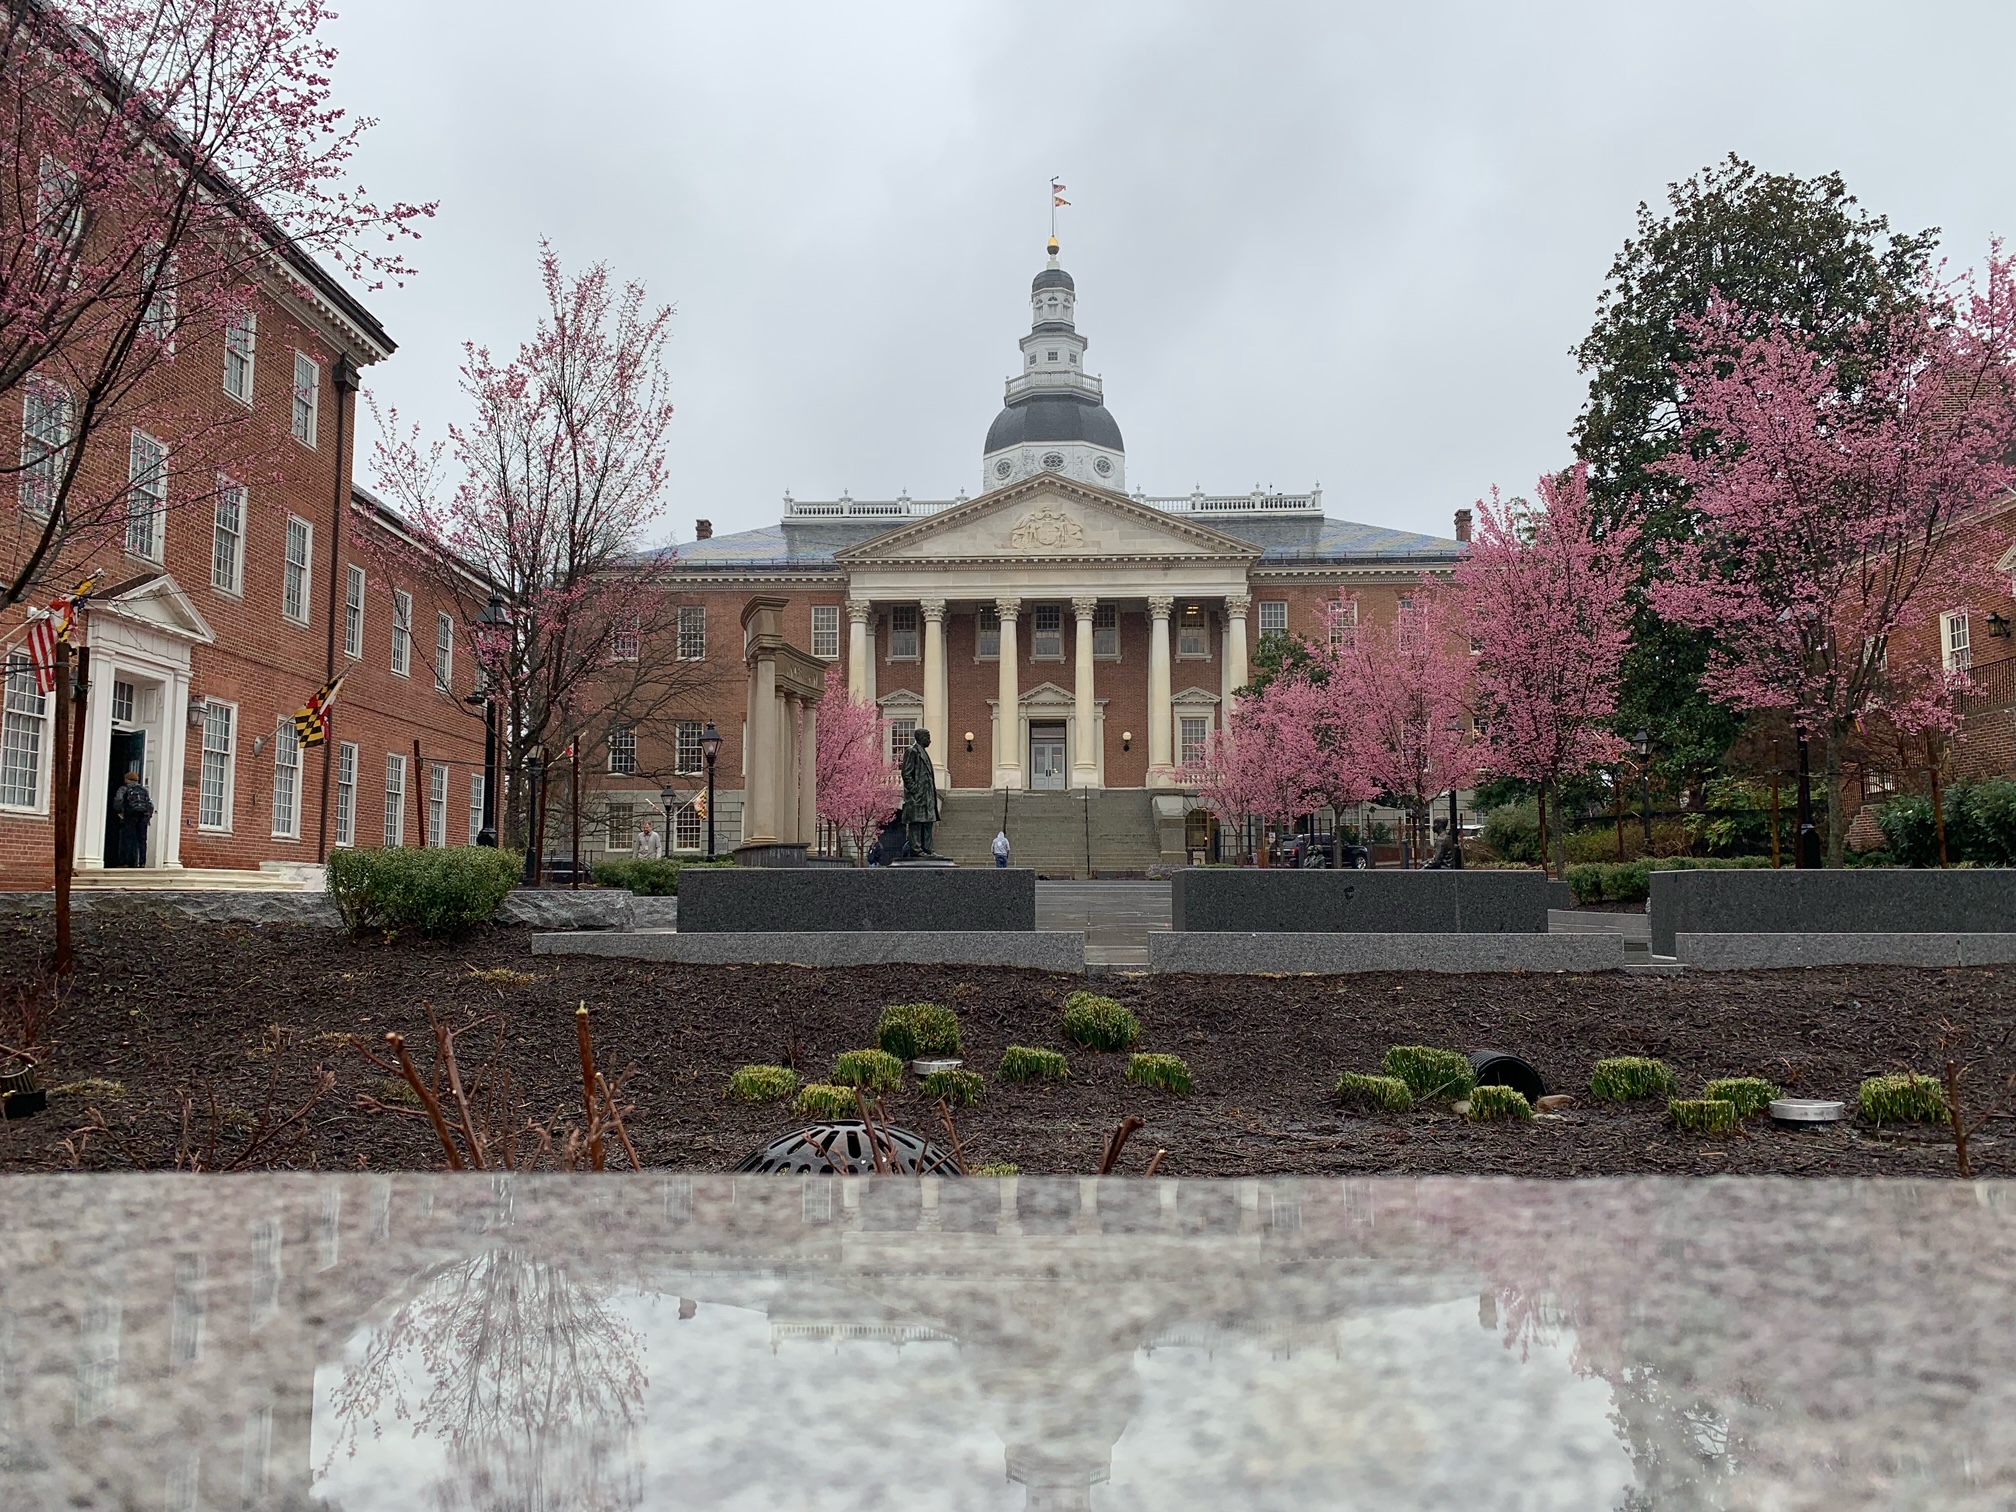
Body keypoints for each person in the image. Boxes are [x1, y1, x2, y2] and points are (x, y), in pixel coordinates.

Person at [899, 728, 939, 857]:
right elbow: (906, 773)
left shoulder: (923, 752)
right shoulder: (912, 751)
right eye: (928, 737)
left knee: (928, 822)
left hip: (927, 795)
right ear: (920, 738)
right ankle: (916, 849)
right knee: (916, 823)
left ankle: (928, 849)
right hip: (918, 796)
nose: (930, 740)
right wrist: (915, 790)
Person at [112, 768, 153, 868]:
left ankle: (126, 862)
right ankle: (142, 862)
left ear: (127, 780)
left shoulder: (124, 789)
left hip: (130, 816)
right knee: (142, 840)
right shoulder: (144, 790)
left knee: (128, 838)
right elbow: (150, 805)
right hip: (143, 817)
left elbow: (118, 801)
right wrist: (148, 817)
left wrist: (120, 813)